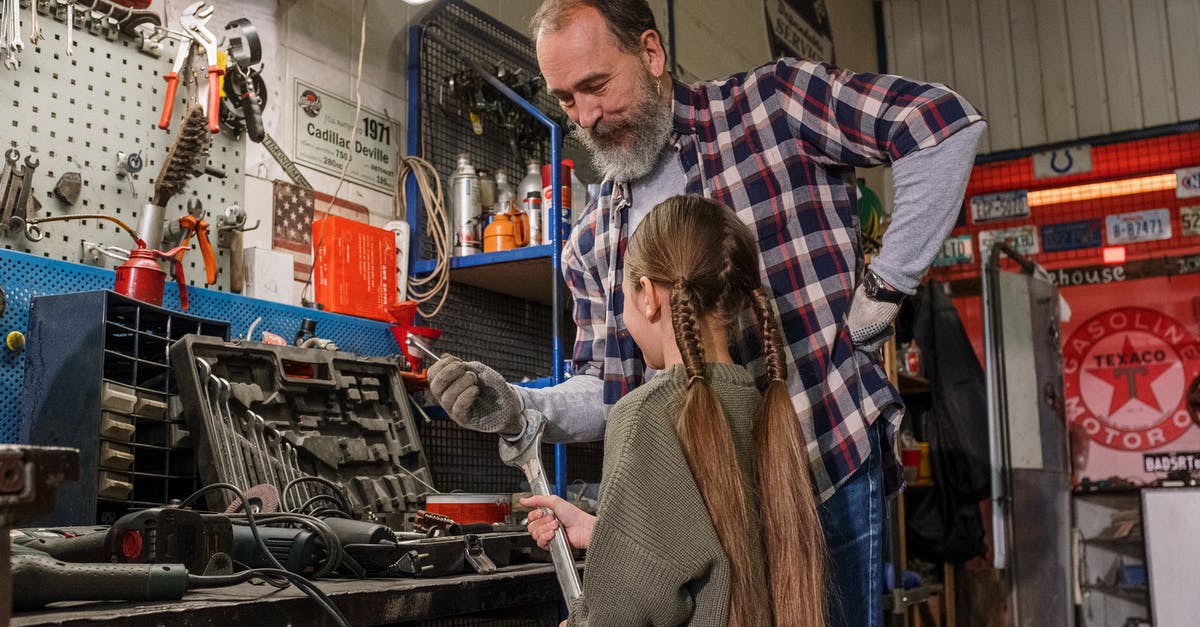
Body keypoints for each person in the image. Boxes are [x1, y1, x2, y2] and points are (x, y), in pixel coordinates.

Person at [427, 1, 987, 624]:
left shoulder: (774, 106)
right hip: (708, 502)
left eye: (596, 85)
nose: (585, 117)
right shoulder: (590, 241)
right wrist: (523, 408)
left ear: (651, 53)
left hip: (820, 466)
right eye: (564, 100)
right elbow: (612, 389)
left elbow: (940, 125)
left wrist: (880, 295)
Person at [523, 194, 825, 626]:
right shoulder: (763, 406)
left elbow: (620, 614)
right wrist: (609, 533)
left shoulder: (645, 414)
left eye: (625, 296)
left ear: (647, 296)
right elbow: (716, 546)